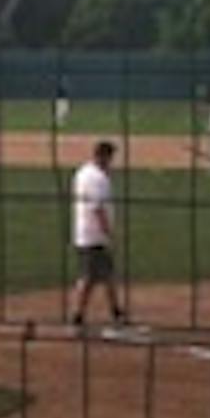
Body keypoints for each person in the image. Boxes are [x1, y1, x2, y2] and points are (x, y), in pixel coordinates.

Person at [69, 140, 127, 328]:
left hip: (86, 233)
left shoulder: (83, 172)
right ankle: (77, 315)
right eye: (110, 158)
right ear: (104, 156)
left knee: (107, 275)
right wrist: (108, 233)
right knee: (88, 278)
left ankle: (116, 311)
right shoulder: (97, 179)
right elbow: (97, 209)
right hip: (93, 236)